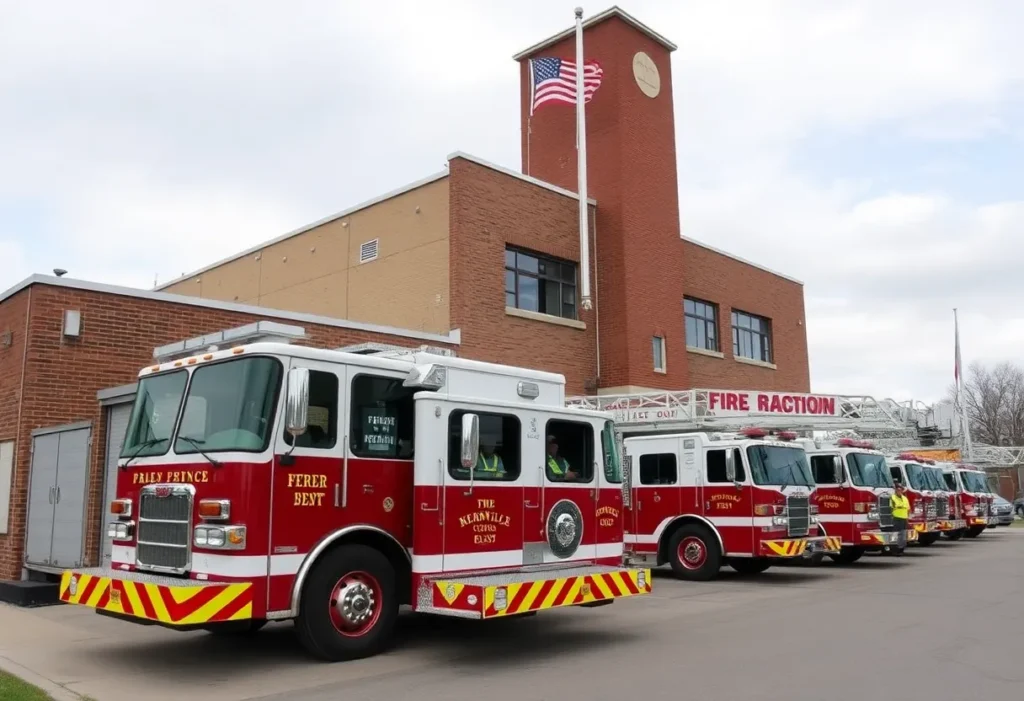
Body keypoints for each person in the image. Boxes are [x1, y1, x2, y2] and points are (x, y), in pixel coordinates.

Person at [890, 480, 911, 555]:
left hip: (904, 518)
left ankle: (901, 549)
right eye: (898, 489)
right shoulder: (892, 497)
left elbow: (908, 508)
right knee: (895, 534)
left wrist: (907, 518)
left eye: (901, 489)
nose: (899, 491)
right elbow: (891, 507)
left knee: (903, 535)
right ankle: (894, 549)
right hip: (896, 518)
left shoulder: (905, 498)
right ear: (895, 490)